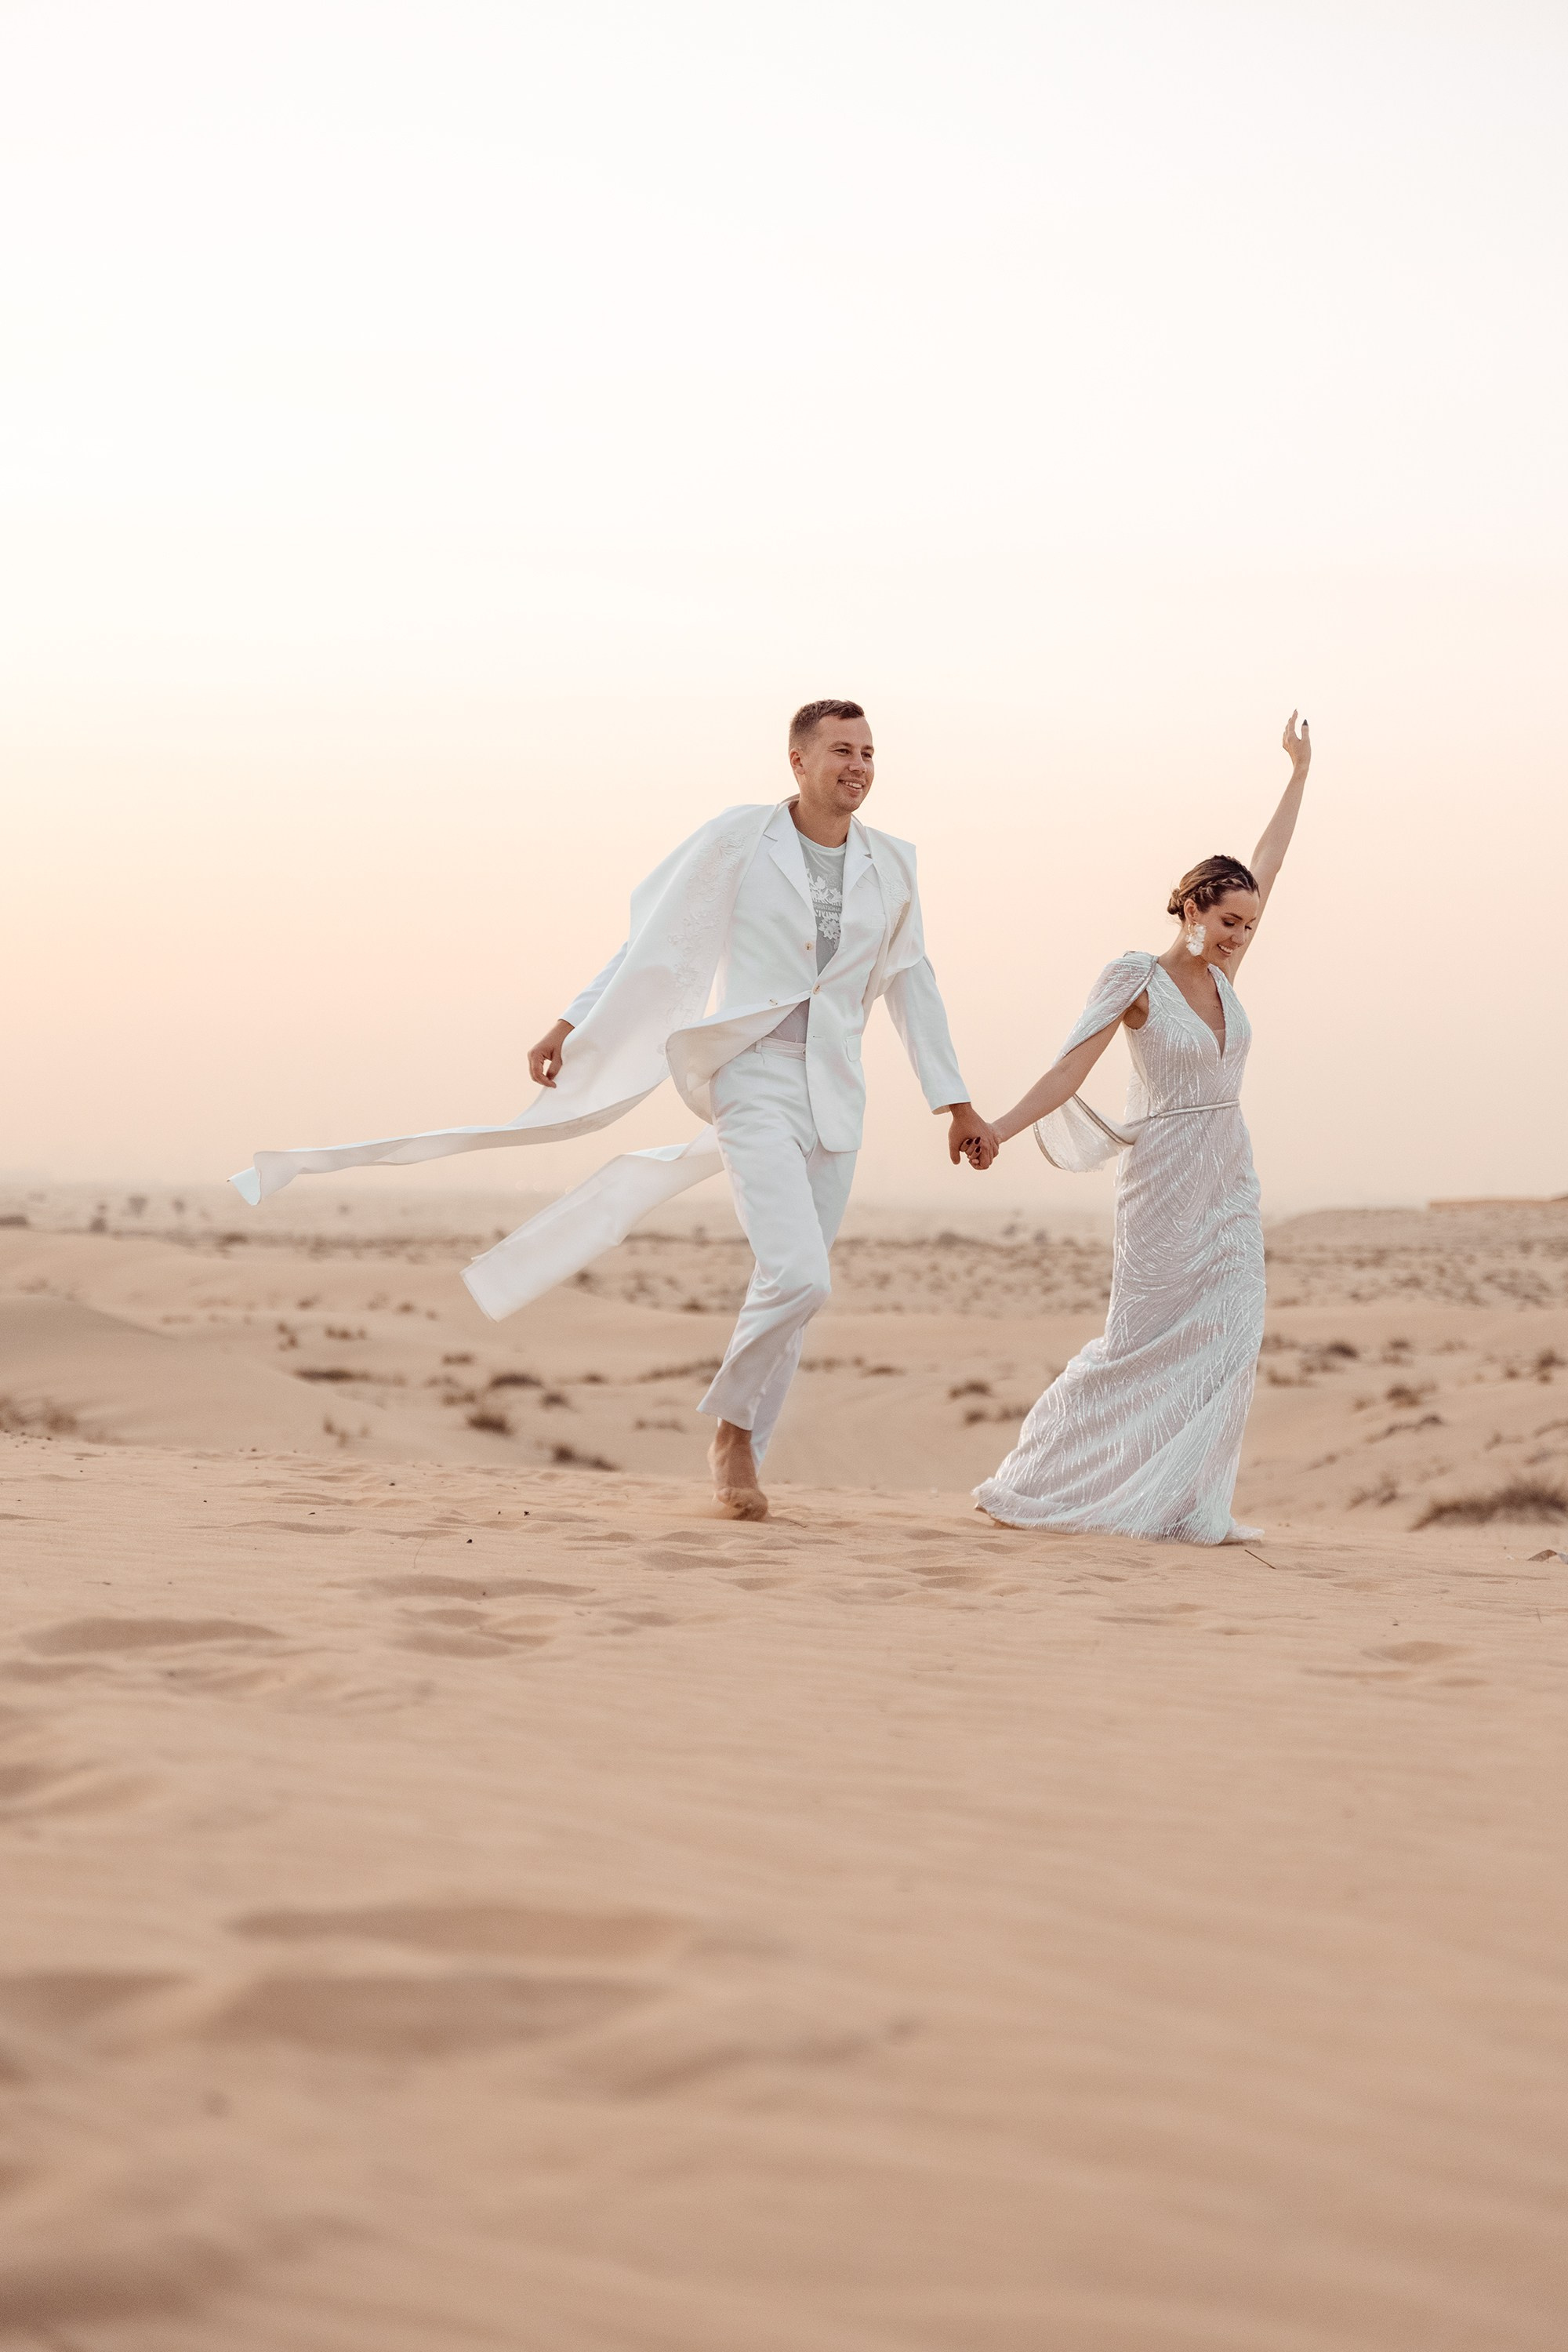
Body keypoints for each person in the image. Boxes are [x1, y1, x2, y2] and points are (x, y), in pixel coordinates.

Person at [230, 699, 996, 1522]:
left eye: (870, 753)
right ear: (797, 762)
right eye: (841, 750)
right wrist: (573, 1021)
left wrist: (953, 1103)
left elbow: (914, 986)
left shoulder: (894, 863)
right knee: (800, 1273)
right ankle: (732, 1435)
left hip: (837, 1089)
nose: (858, 766)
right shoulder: (739, 839)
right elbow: (654, 942)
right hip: (749, 1074)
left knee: (792, 1289)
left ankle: (746, 1440)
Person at [971, 714, 1312, 1544]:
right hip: (1161, 1180)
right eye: (1227, 922)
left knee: (1232, 1332)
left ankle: (1192, 1503)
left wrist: (1297, 775)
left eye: (1248, 927)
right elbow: (1068, 1068)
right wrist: (1001, 1128)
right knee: (1134, 1344)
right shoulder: (1136, 978)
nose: (1237, 939)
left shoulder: (1229, 983)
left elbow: (1266, 864)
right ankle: (1033, 1480)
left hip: (1228, 1176)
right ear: (1192, 907)